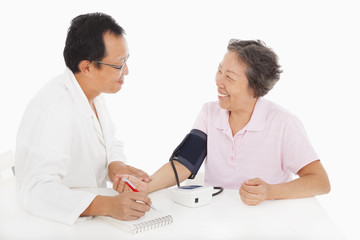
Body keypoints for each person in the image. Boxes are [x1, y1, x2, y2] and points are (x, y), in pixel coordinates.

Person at [114, 39, 331, 206]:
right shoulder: (210, 112)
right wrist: (145, 186)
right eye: (219, 71)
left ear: (255, 89)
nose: (218, 82)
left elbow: (320, 182)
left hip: (266, 220)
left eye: (230, 77)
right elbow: (185, 164)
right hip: (215, 216)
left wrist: (270, 192)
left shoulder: (284, 123)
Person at [15, 12, 152, 225]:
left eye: (126, 60)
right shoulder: (56, 109)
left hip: (91, 220)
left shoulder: (91, 93)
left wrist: (114, 164)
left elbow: (109, 141)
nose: (126, 71)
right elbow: (36, 190)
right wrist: (107, 206)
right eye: (118, 64)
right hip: (54, 225)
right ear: (87, 67)